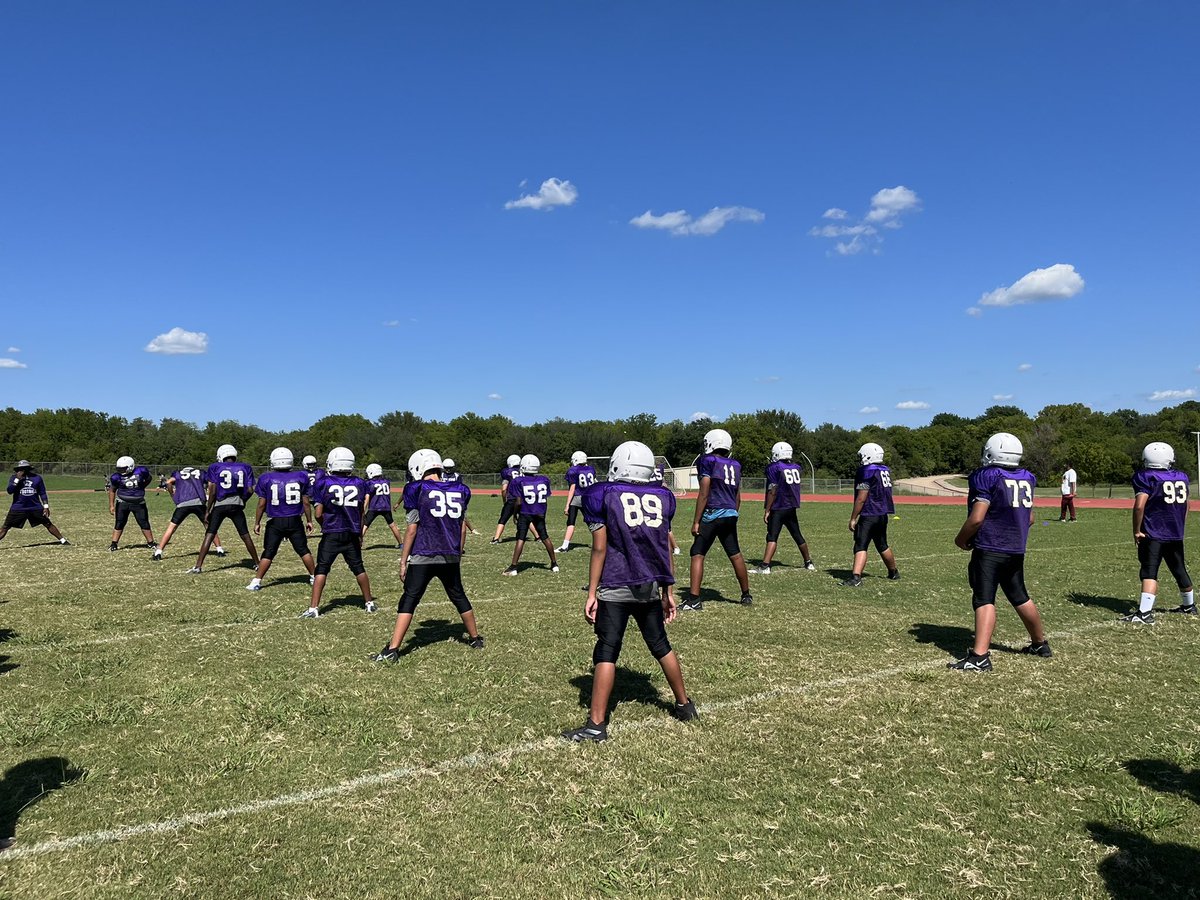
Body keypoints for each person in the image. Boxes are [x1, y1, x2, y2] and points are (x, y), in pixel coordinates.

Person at [562, 441, 697, 742]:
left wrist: (592, 592)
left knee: (607, 650)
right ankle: (685, 706)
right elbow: (664, 547)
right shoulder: (662, 497)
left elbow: (599, 548)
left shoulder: (602, 494)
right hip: (650, 584)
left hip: (615, 583)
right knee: (660, 644)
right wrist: (668, 590)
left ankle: (596, 725)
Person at [948, 433, 1051, 671]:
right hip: (1016, 547)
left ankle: (980, 657)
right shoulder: (1027, 477)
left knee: (984, 598)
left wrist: (961, 539)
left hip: (991, 546)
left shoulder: (986, 476)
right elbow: (1031, 517)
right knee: (1019, 595)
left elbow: (977, 518)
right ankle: (1039, 643)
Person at [373, 449, 484, 660]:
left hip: (424, 551)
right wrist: (458, 552)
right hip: (450, 554)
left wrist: (403, 560)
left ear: (417, 467)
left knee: (409, 598)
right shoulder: (460, 489)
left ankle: (393, 649)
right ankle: (475, 638)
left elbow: (412, 527)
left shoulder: (416, 488)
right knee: (458, 595)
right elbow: (461, 527)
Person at [300, 446, 378, 617]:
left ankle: (314, 608)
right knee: (358, 567)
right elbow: (360, 512)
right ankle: (369, 602)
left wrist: (324, 523)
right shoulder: (359, 483)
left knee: (322, 569)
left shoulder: (324, 483)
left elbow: (319, 513)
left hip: (332, 533)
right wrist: (359, 534)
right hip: (351, 532)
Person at [1121, 442, 1193, 624]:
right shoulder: (1181, 476)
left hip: (1154, 531)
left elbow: (1139, 506)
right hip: (1175, 531)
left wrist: (1136, 530)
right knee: (1179, 568)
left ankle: (1144, 613)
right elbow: (1186, 505)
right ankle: (1189, 605)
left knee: (1149, 571)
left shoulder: (1145, 476)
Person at [681, 429, 752, 610]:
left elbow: (704, 491)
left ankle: (694, 600)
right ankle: (746, 595)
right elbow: (738, 495)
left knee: (697, 552)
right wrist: (733, 513)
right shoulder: (735, 464)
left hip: (713, 512)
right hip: (730, 513)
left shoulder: (707, 460)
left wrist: (696, 520)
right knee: (735, 553)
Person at [246, 447, 315, 591]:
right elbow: (306, 503)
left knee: (269, 552)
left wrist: (257, 522)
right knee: (303, 550)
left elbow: (261, 504)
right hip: (295, 520)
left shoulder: (266, 478)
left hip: (275, 521)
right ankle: (314, 577)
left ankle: (256, 581)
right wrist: (309, 520)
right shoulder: (301, 476)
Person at [190, 444, 259, 574]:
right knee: (245, 535)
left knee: (210, 534)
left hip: (220, 505)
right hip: (236, 504)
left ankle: (198, 566)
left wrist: (208, 509)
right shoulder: (245, 467)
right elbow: (250, 489)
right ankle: (257, 563)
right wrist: (242, 500)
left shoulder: (215, 467)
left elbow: (213, 490)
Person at [751, 441, 815, 575]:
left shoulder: (774, 467)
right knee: (797, 535)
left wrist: (767, 509)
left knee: (772, 536)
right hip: (791, 507)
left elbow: (772, 489)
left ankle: (765, 566)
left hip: (778, 506)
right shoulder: (796, 467)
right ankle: (808, 562)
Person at [841, 443, 899, 587]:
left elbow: (862, 497)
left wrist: (853, 517)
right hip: (882, 514)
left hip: (869, 513)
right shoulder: (884, 470)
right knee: (882, 544)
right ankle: (893, 572)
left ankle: (856, 578)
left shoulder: (866, 471)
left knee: (860, 545)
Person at [502, 454, 559, 575]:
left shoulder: (518, 481)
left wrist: (515, 514)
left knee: (521, 538)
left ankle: (513, 567)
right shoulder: (543, 479)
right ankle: (554, 564)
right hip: (539, 512)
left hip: (525, 512)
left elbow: (518, 501)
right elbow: (545, 498)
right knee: (545, 537)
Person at [153, 466, 224, 560]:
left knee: (172, 527)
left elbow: (169, 482)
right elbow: (211, 484)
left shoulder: (178, 473)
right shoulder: (201, 472)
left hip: (183, 503)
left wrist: (173, 495)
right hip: (198, 502)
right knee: (209, 526)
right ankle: (219, 549)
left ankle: (158, 552)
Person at [0, 461, 68, 545]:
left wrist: (46, 506)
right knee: (5, 527)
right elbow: (10, 491)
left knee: (48, 524)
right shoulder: (14, 478)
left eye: (25, 469)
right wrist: (17, 479)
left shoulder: (37, 478)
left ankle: (63, 540)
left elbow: (42, 493)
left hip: (35, 507)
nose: (23, 471)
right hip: (18, 507)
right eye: (21, 469)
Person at [106, 456, 157, 552]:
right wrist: (111, 505)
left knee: (144, 522)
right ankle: (114, 543)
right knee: (119, 523)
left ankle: (151, 543)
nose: (121, 471)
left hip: (138, 502)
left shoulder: (141, 471)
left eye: (123, 469)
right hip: (122, 502)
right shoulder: (116, 477)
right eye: (119, 469)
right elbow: (112, 490)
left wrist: (142, 486)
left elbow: (149, 478)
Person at [558, 450, 597, 552]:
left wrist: (567, 505)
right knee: (592, 522)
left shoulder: (573, 470)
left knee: (571, 522)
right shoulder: (591, 469)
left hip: (577, 498)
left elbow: (572, 488)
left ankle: (565, 546)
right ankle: (599, 542)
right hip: (589, 498)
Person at [361, 463, 405, 547]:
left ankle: (358, 543)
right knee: (392, 525)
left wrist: (363, 508)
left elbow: (367, 497)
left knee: (365, 525)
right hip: (386, 507)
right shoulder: (386, 481)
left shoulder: (369, 483)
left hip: (374, 507)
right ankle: (401, 543)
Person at [440, 458, 480, 536]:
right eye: (446, 468)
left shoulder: (457, 476)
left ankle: (472, 529)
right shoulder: (441, 475)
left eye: (450, 468)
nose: (448, 470)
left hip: (454, 497)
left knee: (461, 514)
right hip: (443, 497)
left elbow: (460, 487)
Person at [491, 454, 522, 544]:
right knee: (525, 517)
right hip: (523, 499)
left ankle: (496, 538)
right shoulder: (523, 472)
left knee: (503, 519)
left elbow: (504, 489)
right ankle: (538, 536)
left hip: (512, 498)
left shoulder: (507, 472)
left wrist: (505, 500)